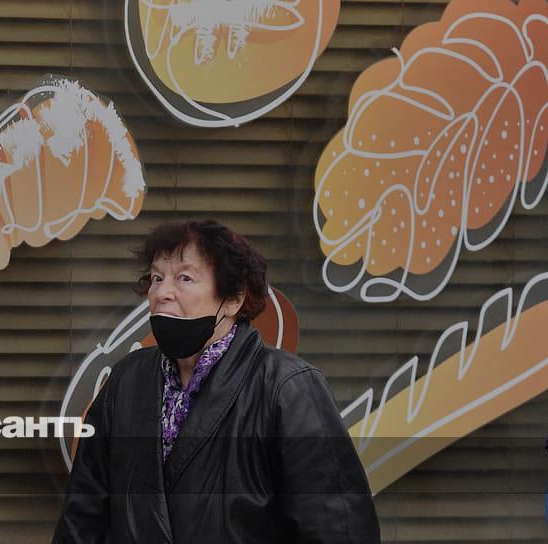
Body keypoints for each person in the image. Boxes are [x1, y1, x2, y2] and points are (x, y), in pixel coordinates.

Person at [54, 219, 380, 543]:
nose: (162, 292)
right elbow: (83, 519)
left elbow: (339, 528)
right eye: (156, 278)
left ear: (234, 299)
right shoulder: (127, 380)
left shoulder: (288, 387)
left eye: (185, 278)